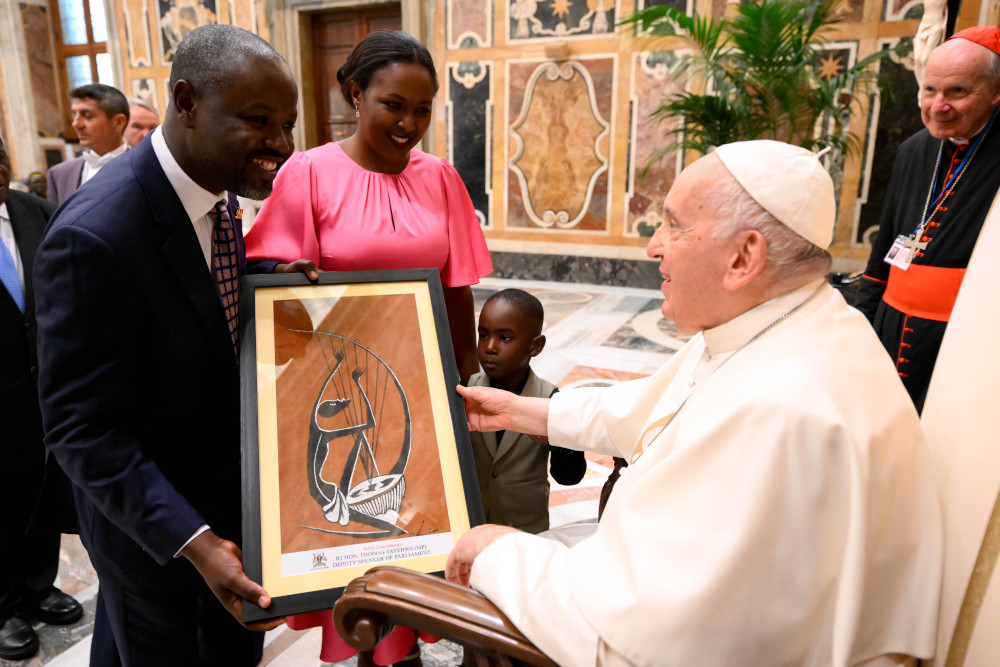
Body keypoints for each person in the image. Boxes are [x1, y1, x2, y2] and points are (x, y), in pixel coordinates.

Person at [448, 140, 943, 666]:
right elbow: (652, 407)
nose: (653, 245)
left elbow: (629, 643)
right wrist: (524, 411)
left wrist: (498, 550)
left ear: (743, 257)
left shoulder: (781, 410)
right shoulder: (791, 320)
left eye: (673, 224)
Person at [33, 24, 316, 666]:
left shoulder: (212, 191)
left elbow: (188, 288)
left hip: (227, 505)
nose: (282, 144)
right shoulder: (94, 236)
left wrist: (265, 281)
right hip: (160, 537)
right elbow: (81, 431)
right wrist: (196, 542)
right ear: (186, 103)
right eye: (259, 120)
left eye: (288, 123)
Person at [245, 29, 492, 382]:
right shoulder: (308, 173)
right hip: (338, 376)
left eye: (422, 110)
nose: (409, 124)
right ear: (357, 94)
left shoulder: (441, 177)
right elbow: (268, 284)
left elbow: (455, 294)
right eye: (393, 106)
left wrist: (468, 380)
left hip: (426, 374)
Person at [855, 25, 1000, 413]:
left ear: (995, 93)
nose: (938, 105)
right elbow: (882, 250)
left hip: (965, 345)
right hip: (890, 328)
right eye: (929, 90)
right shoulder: (913, 150)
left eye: (958, 91)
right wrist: (861, 330)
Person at [0, 132, 82, 661]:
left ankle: (38, 583)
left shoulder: (34, 211)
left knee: (40, 487)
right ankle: (4, 603)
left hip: (40, 387)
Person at [468, 288, 585, 534]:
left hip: (525, 531)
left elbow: (569, 476)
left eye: (505, 338)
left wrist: (558, 437)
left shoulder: (550, 400)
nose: (490, 347)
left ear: (536, 346)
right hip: (470, 526)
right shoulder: (466, 392)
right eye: (483, 335)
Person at [46, 83, 129, 205]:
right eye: (75, 115)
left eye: (87, 116)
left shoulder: (146, 168)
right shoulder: (59, 174)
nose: (76, 124)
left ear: (118, 122)